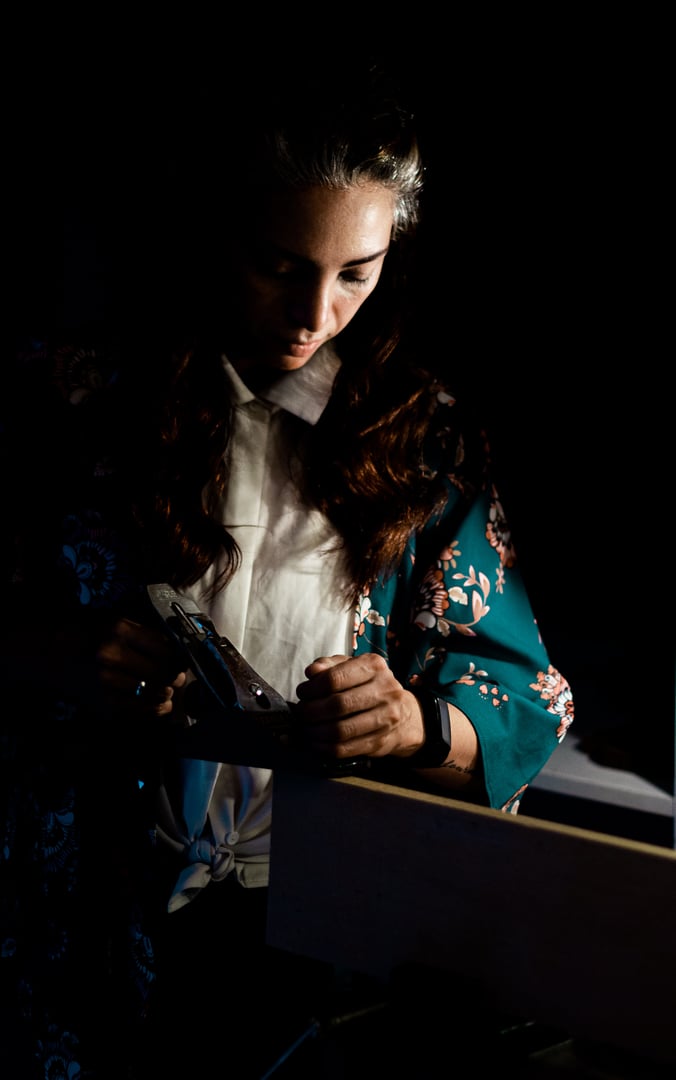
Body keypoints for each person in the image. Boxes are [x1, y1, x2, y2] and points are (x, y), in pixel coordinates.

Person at [1, 54, 574, 1079]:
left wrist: (413, 723)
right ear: (215, 230)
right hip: (76, 907)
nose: (314, 314)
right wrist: (47, 653)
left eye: (355, 273)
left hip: (318, 926)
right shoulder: (70, 400)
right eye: (279, 265)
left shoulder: (423, 440)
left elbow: (525, 693)